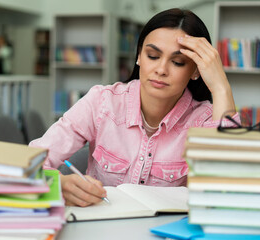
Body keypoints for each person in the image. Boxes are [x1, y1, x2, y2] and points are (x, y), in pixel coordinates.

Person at [29, 8, 239, 207]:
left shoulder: (204, 120)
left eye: (177, 62)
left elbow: (225, 190)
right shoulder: (102, 102)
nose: (161, 69)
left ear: (196, 71)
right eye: (153, 56)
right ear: (139, 56)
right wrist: (57, 185)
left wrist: (221, 87)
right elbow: (29, 163)